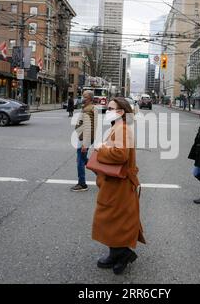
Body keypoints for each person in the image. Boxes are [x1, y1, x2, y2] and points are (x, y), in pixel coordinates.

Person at [92, 97, 145, 275]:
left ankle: (122, 254)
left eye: (110, 108)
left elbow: (120, 155)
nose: (107, 111)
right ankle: (118, 254)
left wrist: (101, 149)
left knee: (114, 220)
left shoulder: (122, 128)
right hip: (115, 183)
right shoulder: (118, 126)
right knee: (114, 220)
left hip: (119, 184)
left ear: (121, 112)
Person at [70, 90, 97, 192]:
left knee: (80, 161)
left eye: (84, 96)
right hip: (83, 137)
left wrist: (85, 143)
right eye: (83, 96)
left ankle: (82, 184)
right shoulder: (86, 108)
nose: (82, 98)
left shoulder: (89, 109)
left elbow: (89, 127)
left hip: (84, 138)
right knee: (83, 158)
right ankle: (99, 172)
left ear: (89, 98)